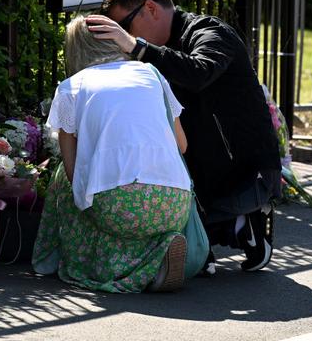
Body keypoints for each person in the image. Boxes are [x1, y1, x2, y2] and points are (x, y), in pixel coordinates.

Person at [85, 0, 282, 273]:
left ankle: (241, 224)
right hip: (199, 173)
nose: (121, 37)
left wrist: (135, 46)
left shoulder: (211, 32)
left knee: (174, 228)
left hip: (243, 176)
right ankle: (214, 233)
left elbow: (199, 72)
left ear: (150, 8)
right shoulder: (147, 55)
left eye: (124, 26)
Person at [32, 15, 192, 293]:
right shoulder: (152, 74)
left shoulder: (72, 87)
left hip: (119, 206)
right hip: (175, 202)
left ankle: (99, 267)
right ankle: (159, 252)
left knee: (67, 182)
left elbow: (73, 174)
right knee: (128, 205)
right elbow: (182, 145)